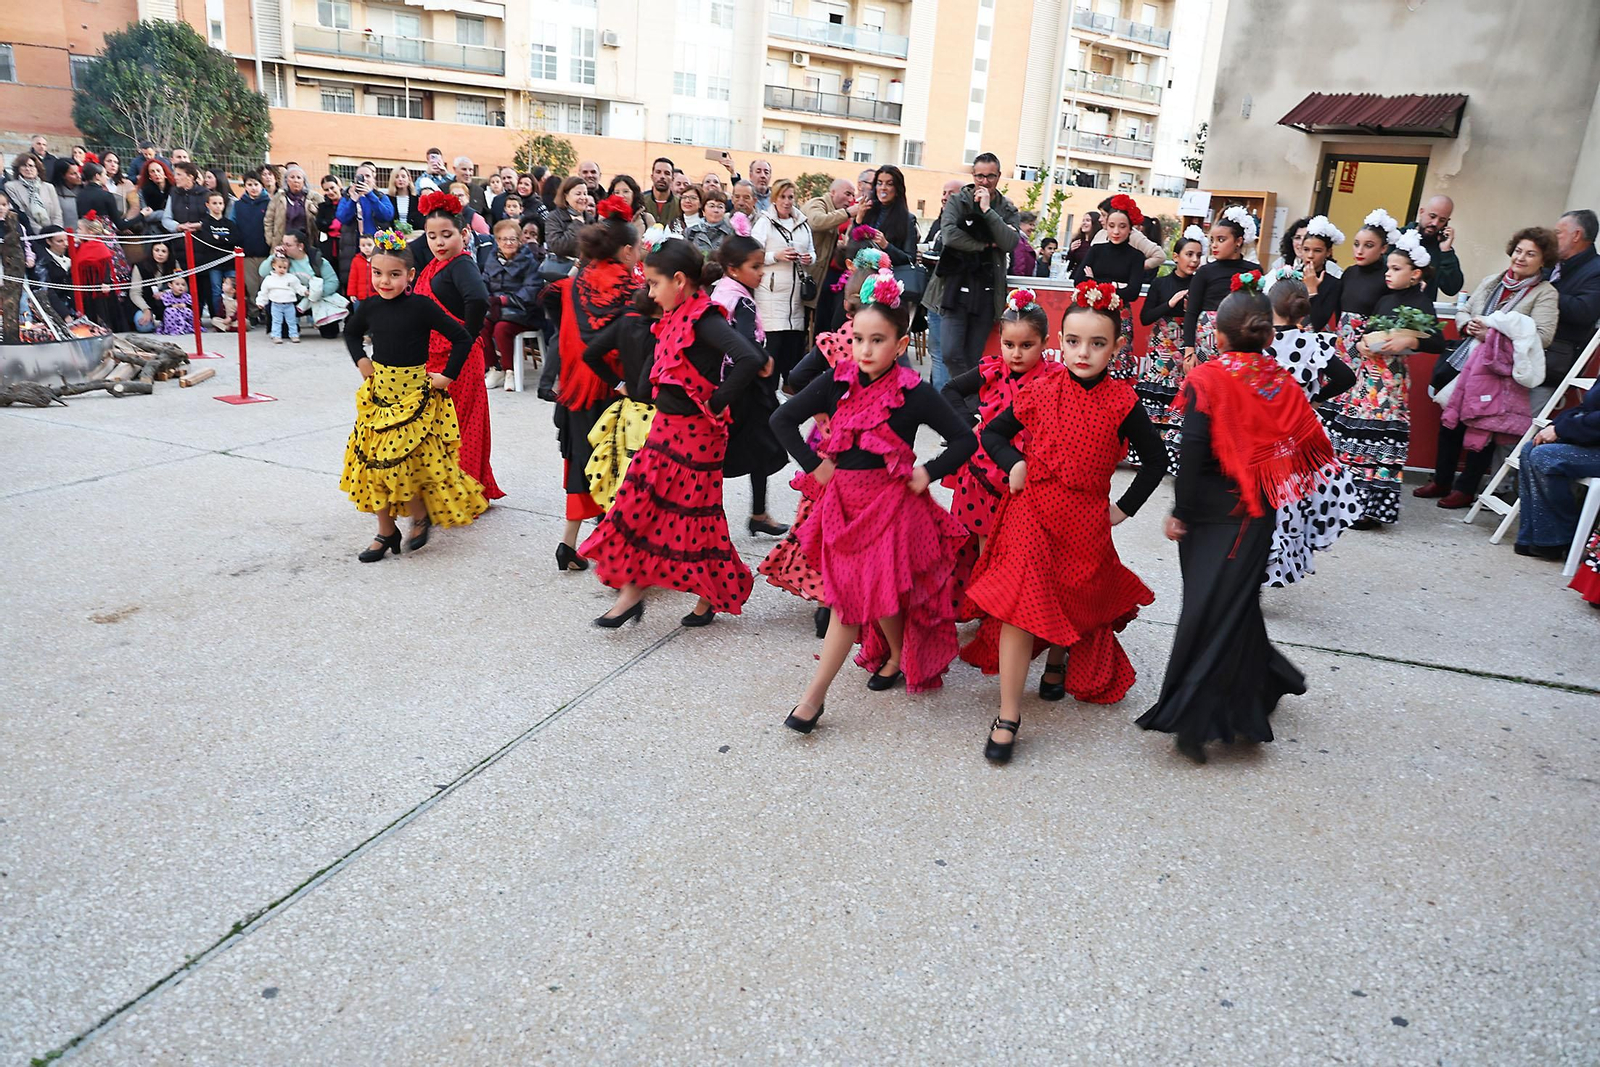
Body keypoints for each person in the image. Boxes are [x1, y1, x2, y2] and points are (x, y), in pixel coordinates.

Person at [965, 282, 1167, 761]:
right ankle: (1009, 713)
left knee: (1071, 596)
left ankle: (1057, 659)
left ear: (1118, 347)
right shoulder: (1040, 389)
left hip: (1083, 520)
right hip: (1031, 511)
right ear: (1060, 341)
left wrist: (1123, 508)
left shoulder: (1123, 402)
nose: (1083, 352)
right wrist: (1013, 462)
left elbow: (1157, 462)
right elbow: (993, 433)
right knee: (1020, 604)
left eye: (1098, 343)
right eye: (1074, 341)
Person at [772, 268, 976, 729]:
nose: (866, 349)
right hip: (842, 508)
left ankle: (814, 696)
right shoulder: (837, 380)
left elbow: (964, 439)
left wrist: (928, 472)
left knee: (849, 602)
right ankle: (899, 652)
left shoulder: (914, 392)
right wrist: (816, 465)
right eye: (859, 339)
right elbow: (782, 419)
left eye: (878, 340)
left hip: (889, 509)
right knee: (867, 593)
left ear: (901, 345)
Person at [1136, 285, 1333, 763]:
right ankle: (1266, 682)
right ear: (1265, 335)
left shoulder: (1208, 379)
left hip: (1211, 516)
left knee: (1210, 612)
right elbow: (1306, 440)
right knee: (1233, 604)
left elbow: (1193, 451)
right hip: (1256, 513)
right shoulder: (1277, 380)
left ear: (1219, 335)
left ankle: (1194, 718)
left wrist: (1180, 512)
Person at [581, 237, 768, 627]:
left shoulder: (707, 319)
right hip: (665, 429)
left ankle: (697, 594)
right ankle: (639, 591)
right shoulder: (674, 316)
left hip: (698, 436)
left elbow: (750, 357)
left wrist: (717, 401)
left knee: (694, 521)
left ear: (679, 280)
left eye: (653, 283)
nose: (649, 291)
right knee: (637, 506)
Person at [341, 229, 488, 562]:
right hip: (379, 397)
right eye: (377, 273)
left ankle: (420, 515)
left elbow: (462, 337)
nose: (385, 281)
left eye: (394, 274)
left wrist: (447, 376)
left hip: (414, 398)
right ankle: (386, 531)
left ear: (410, 275)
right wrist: (362, 360)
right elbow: (351, 333)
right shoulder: (369, 306)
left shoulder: (421, 307)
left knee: (413, 463)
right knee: (373, 464)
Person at [756, 253, 882, 635]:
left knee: (819, 525)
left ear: (845, 305)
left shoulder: (834, 342)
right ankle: (848, 595)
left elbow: (793, 377)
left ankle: (825, 597)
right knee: (858, 529)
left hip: (827, 447)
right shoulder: (887, 346)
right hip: (869, 456)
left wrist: (822, 407)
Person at [1419, 227, 1559, 507]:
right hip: (1466, 363)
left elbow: (1543, 336)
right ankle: (1441, 481)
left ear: (1543, 261)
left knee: (1483, 426)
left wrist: (1492, 336)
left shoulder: (1545, 293)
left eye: (1531, 254)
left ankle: (1466, 488)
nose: (1521, 258)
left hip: (1499, 371)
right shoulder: (1493, 281)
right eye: (1519, 251)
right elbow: (1464, 309)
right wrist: (1464, 324)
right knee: (1451, 420)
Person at [1325, 215, 1442, 528]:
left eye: (1396, 268)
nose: (1388, 274)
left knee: (1381, 441)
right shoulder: (1386, 298)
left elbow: (1437, 341)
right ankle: (1348, 504)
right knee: (1355, 435)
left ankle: (1372, 509)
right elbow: (1369, 331)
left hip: (1390, 382)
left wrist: (1411, 337)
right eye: (1388, 268)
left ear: (1416, 274)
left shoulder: (1419, 300)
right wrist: (1363, 344)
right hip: (1367, 377)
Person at [551, 197, 640, 569]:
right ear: (627, 250)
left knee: (580, 465)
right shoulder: (631, 287)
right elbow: (630, 342)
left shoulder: (576, 282)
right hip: (614, 388)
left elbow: (568, 336)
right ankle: (615, 552)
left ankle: (568, 544)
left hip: (576, 386)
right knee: (618, 469)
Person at [940, 287, 1065, 544]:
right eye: (1009, 345)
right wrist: (968, 424)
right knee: (983, 549)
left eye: (1026, 345)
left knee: (1022, 548)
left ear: (1045, 342)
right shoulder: (993, 370)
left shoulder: (1055, 378)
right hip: (981, 475)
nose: (1016, 353)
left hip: (1029, 477)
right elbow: (950, 390)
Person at [1261, 276, 1360, 587]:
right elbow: (1345, 377)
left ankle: (1252, 564)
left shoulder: (1257, 343)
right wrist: (1314, 399)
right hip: (1298, 434)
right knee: (1288, 502)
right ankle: (1278, 566)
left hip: (1261, 433)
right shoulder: (1312, 343)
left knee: (1260, 501)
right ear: (1302, 312)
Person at [411, 191, 502, 500]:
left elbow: (478, 300)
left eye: (446, 235)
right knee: (441, 428)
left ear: (464, 234)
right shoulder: (439, 264)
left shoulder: (461, 265)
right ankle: (445, 491)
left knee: (461, 429)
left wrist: (466, 336)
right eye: (432, 236)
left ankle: (463, 493)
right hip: (438, 361)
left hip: (457, 363)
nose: (438, 242)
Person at [708, 228, 790, 538]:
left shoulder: (722, 292)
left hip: (729, 383)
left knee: (754, 449)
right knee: (747, 449)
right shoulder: (741, 301)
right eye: (754, 267)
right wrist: (763, 359)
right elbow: (742, 340)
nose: (759, 273)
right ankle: (724, 516)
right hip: (743, 388)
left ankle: (758, 513)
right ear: (733, 269)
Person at [937, 152, 1020, 416]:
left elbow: (1010, 242)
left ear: (998, 176)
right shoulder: (958, 201)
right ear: (973, 176)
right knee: (950, 352)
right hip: (955, 288)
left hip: (987, 292)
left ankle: (966, 418)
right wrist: (985, 244)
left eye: (990, 176)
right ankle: (970, 410)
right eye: (979, 175)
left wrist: (987, 211)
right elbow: (949, 236)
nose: (984, 181)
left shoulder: (1007, 209)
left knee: (973, 357)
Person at [580, 287, 660, 511]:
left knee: (621, 474)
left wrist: (619, 384)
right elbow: (646, 386)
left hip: (627, 412)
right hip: (652, 417)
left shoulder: (626, 323)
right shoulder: (660, 333)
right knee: (644, 482)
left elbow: (590, 354)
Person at [1136, 227, 1204, 469]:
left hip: (1189, 344)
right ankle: (1149, 454)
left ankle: (1175, 456)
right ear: (1176, 257)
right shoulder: (1161, 283)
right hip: (1162, 346)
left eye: (1198, 255)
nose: (1194, 260)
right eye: (1189, 254)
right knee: (1157, 394)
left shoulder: (1201, 283)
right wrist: (1170, 303)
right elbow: (1145, 318)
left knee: (1183, 396)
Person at [1517, 381, 1600, 559]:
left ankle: (1562, 537)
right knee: (1529, 450)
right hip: (1592, 441)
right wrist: (1553, 427)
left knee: (1545, 456)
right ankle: (1533, 537)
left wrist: (1561, 429)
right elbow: (1585, 407)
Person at [750, 178, 816, 388]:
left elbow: (813, 252)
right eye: (782, 197)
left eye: (790, 197)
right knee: (773, 346)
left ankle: (788, 388)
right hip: (770, 292)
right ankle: (766, 391)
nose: (787, 202)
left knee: (792, 345)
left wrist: (809, 258)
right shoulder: (764, 222)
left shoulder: (803, 223)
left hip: (796, 294)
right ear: (774, 198)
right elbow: (753, 254)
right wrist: (776, 256)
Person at [1076, 194, 1146, 379]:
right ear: (1105, 226)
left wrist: (1096, 281)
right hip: (1093, 313)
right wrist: (1115, 286)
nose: (1116, 231)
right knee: (1090, 356)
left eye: (1122, 226)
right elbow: (1078, 281)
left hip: (1121, 316)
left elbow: (1133, 292)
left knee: (1119, 360)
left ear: (1131, 229)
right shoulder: (1096, 250)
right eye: (1112, 226)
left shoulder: (1136, 256)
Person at [1537, 210, 1600, 413]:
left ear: (1576, 235)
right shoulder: (1552, 264)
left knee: (1516, 431)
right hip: (1525, 355)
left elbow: (1583, 311)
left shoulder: (1596, 270)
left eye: (1558, 233)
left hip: (1553, 363)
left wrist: (1543, 294)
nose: (1552, 239)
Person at [1183, 206, 1261, 365]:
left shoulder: (1253, 271)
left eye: (1221, 240)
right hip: (1207, 339)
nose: (1214, 246)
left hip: (1241, 338)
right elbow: (1191, 312)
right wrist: (1189, 350)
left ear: (1238, 241)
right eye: (1212, 240)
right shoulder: (1204, 272)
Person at [480, 218, 544, 390]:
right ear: (497, 241)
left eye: (512, 239)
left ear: (520, 240)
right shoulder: (492, 259)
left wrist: (501, 301)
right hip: (496, 310)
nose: (508, 243)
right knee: (481, 325)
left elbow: (531, 290)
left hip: (523, 312)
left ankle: (510, 371)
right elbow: (483, 284)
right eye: (503, 239)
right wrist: (488, 300)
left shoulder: (530, 261)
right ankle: (495, 368)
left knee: (502, 328)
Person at [921, 178, 966, 391]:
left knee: (944, 356)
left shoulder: (966, 224)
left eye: (951, 193)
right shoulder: (940, 223)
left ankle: (944, 405)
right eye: (944, 192)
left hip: (953, 299)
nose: (945, 196)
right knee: (937, 354)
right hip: (935, 297)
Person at [261, 229, 347, 339]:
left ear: (300, 246)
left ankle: (327, 326)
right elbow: (263, 272)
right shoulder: (283, 261)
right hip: (290, 300)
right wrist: (274, 256)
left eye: (288, 245)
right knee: (283, 331)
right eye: (282, 244)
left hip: (316, 299)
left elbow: (332, 282)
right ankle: (290, 328)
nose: (284, 247)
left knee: (330, 334)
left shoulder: (317, 261)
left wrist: (315, 294)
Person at [802, 178, 856, 333]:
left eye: (852, 195)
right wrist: (847, 213)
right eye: (847, 194)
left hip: (818, 277)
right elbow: (816, 221)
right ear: (832, 192)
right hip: (805, 275)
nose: (850, 199)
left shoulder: (835, 212)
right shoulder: (818, 203)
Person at [335, 162, 395, 287]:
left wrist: (370, 195)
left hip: (376, 247)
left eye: (368, 176)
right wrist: (353, 200)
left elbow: (387, 215)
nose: (365, 179)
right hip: (353, 247)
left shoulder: (380, 196)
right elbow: (342, 218)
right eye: (361, 176)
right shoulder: (347, 197)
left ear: (373, 179)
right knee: (355, 284)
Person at [1402, 195, 1464, 304]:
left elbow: (1452, 289)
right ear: (1421, 212)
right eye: (1432, 216)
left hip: (1421, 315)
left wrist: (1446, 251)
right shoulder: (1398, 237)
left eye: (1442, 220)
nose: (1435, 223)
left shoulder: (1441, 249)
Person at [227, 172, 272, 315]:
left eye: (256, 184)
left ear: (262, 185)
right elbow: (232, 224)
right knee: (251, 286)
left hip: (265, 251)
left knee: (266, 284)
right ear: (245, 186)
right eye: (249, 185)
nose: (253, 188)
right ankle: (254, 313)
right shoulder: (238, 205)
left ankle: (267, 313)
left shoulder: (270, 202)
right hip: (246, 252)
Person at [195, 190, 237, 317]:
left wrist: (219, 238)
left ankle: (234, 316)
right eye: (214, 203)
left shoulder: (229, 223)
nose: (218, 206)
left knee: (235, 290)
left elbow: (236, 239)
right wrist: (225, 239)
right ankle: (218, 316)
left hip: (230, 262)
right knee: (216, 291)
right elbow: (207, 240)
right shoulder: (205, 224)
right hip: (213, 263)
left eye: (220, 203)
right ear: (208, 205)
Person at [265, 166, 322, 257]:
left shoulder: (314, 198)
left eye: (299, 178)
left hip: (306, 244)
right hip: (282, 244)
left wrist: (315, 212)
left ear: (304, 181)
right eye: (292, 177)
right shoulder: (278, 197)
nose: (296, 180)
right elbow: (268, 220)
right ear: (286, 180)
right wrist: (271, 241)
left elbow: (322, 219)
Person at [129, 239, 177, 332]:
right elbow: (135, 293)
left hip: (168, 304)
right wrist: (146, 309)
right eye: (157, 250)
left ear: (169, 253)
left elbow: (183, 287)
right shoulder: (140, 266)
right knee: (143, 326)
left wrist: (166, 293)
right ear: (151, 251)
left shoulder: (174, 265)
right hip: (145, 303)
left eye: (164, 251)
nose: (160, 254)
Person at [258, 253, 308, 343]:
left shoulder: (291, 278)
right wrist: (261, 302)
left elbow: (298, 287)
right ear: (274, 266)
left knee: (291, 320)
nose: (282, 269)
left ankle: (294, 334)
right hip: (276, 304)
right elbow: (264, 292)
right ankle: (276, 335)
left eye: (284, 268)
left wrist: (304, 291)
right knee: (277, 321)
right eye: (280, 267)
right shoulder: (269, 279)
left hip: (289, 304)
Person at [543, 176, 593, 262]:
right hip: (561, 269)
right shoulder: (554, 217)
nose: (583, 197)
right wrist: (577, 224)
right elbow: (557, 247)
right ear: (566, 196)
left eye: (585, 193)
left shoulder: (589, 219)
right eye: (578, 194)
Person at [7, 153, 62, 229]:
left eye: (31, 166)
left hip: (53, 232)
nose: (28, 169)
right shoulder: (11, 186)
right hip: (31, 233)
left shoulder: (49, 187)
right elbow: (23, 214)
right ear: (18, 169)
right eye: (24, 166)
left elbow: (57, 213)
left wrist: (55, 231)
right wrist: (41, 233)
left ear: (37, 168)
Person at [75, 162, 123, 228]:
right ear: (97, 176)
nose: (107, 178)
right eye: (105, 174)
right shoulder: (107, 196)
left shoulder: (79, 195)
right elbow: (120, 225)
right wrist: (141, 214)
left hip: (85, 236)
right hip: (104, 236)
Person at [687, 189, 735, 255]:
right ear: (703, 211)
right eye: (711, 206)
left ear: (725, 211)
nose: (716, 210)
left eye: (720, 207)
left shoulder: (731, 234)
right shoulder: (690, 232)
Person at [645, 157, 679, 230]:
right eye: (658, 172)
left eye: (667, 173)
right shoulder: (640, 202)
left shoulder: (680, 204)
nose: (662, 176)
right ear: (652, 176)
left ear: (672, 178)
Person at [346, 233, 375, 316]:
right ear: (359, 247)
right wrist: (352, 293)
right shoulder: (356, 260)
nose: (366, 248)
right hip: (360, 296)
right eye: (363, 245)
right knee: (360, 317)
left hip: (375, 296)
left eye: (369, 245)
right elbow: (352, 278)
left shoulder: (378, 259)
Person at [388, 166, 425, 232]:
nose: (400, 179)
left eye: (403, 176)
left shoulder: (417, 199)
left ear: (409, 179)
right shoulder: (388, 199)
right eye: (397, 177)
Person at [1066, 211, 1101, 277]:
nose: (1084, 223)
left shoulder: (1099, 242)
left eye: (1087, 220)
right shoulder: (1077, 241)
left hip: (1091, 278)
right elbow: (1068, 266)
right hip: (1075, 277)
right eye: (1083, 220)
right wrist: (1071, 251)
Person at [1011, 211, 1039, 277]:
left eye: (1034, 225)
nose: (1033, 228)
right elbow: (1018, 266)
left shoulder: (1022, 240)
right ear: (1020, 224)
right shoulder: (1019, 241)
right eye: (1030, 224)